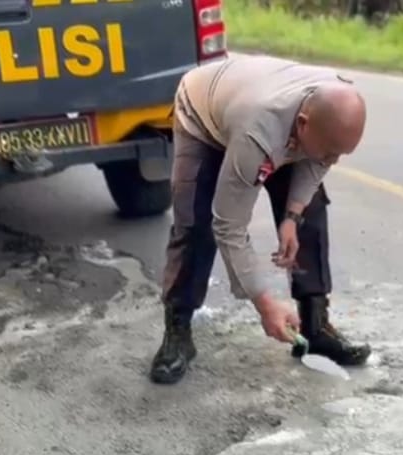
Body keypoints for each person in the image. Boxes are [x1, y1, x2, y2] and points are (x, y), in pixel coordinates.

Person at [150, 54, 372, 385]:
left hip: (270, 112)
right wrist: (265, 304)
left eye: (341, 154)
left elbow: (317, 164)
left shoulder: (330, 108)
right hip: (202, 115)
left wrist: (292, 216)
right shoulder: (259, 134)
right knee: (195, 222)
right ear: (303, 124)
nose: (334, 161)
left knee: (311, 209)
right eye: (330, 153)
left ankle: (316, 326)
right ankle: (177, 329)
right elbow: (228, 225)